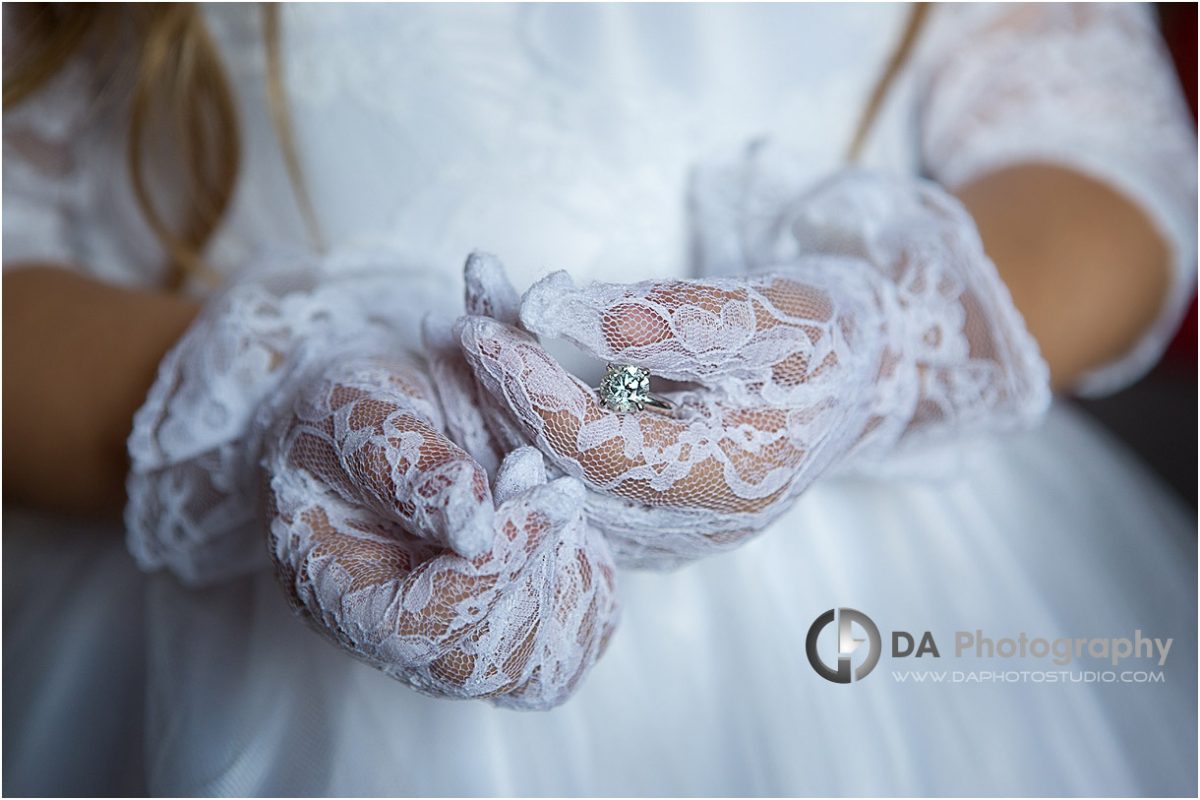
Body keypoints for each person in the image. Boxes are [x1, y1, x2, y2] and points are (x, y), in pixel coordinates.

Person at [3, 3, 1196, 795]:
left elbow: (1105, 150)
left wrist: (881, 337)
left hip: (886, 599)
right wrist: (284, 409)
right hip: (282, 606)